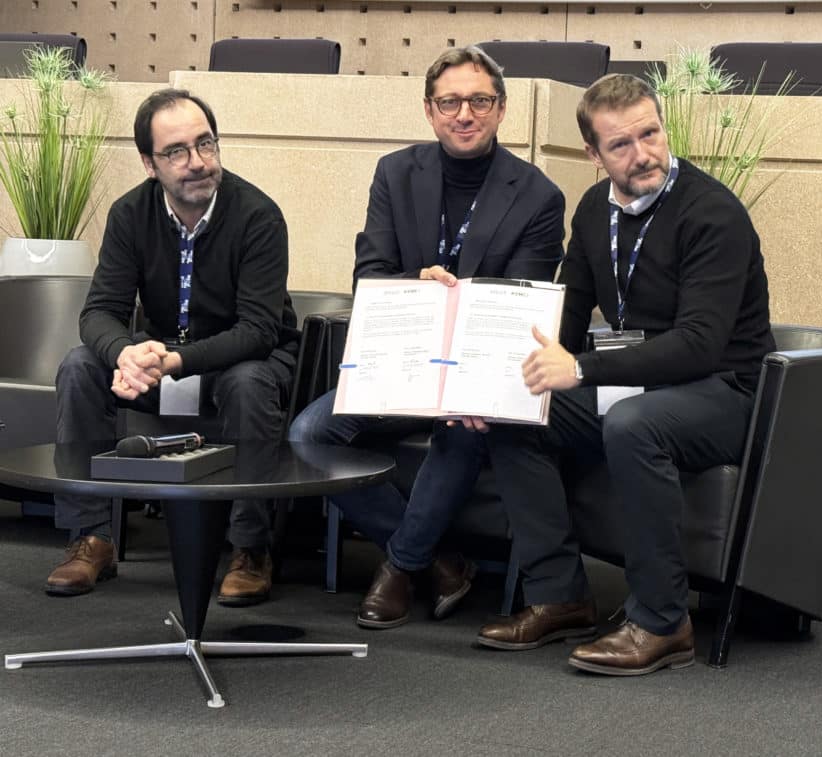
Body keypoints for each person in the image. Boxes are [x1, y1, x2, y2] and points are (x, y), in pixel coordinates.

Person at [470, 73, 774, 676]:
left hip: (723, 392)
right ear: (593, 154)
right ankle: (559, 596)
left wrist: (582, 367)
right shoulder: (593, 211)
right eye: (621, 145)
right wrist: (492, 385)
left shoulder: (712, 214)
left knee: (635, 424)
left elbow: (698, 346)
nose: (643, 155)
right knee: (519, 410)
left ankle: (663, 622)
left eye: (650, 134)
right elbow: (564, 316)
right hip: (642, 384)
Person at [288, 46, 565, 629]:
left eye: (479, 101)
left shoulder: (539, 195)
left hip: (478, 374)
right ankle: (440, 560)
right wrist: (415, 285)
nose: (465, 114)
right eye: (450, 102)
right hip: (404, 363)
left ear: (501, 109)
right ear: (429, 110)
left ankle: (398, 566)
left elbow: (523, 302)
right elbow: (369, 276)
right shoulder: (395, 173)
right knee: (308, 434)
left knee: (461, 431)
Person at [46, 89, 299, 607]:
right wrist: (125, 355)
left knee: (250, 381)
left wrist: (174, 362)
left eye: (206, 144)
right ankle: (91, 536)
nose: (198, 162)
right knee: (79, 367)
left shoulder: (258, 216)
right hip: (162, 361)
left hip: (240, 362)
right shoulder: (130, 214)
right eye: (177, 152)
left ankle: (250, 548)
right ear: (149, 164)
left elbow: (258, 330)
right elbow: (99, 312)